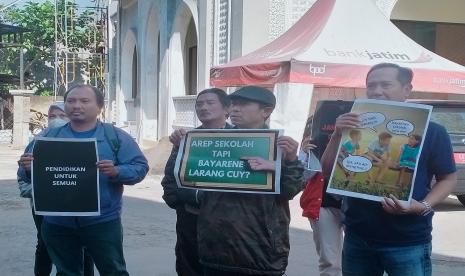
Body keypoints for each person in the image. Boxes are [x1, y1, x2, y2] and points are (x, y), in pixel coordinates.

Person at [321, 63, 457, 276]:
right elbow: (327, 170)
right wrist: (337, 134)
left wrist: (422, 206)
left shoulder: (433, 131)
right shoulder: (353, 126)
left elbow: (448, 178)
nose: (376, 91)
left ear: (406, 89)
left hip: (408, 240)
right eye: (371, 85)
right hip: (358, 236)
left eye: (385, 84)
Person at [17, 84, 149, 275]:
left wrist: (116, 171)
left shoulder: (115, 137)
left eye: (84, 101)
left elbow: (139, 167)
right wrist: (29, 169)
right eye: (71, 101)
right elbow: (24, 174)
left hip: (102, 221)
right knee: (66, 272)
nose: (76, 105)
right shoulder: (48, 138)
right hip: (57, 223)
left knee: (113, 271)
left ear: (99, 107)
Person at [196, 85, 304, 276]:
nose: (235, 109)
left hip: (260, 253)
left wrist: (289, 161)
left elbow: (289, 190)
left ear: (266, 111)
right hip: (215, 250)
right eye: (234, 104)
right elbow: (188, 182)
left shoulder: (281, 147)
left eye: (243, 104)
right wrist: (180, 148)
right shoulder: (213, 142)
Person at [161, 88, 232, 276]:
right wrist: (183, 201)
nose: (203, 107)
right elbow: (170, 179)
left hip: (230, 225)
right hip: (191, 222)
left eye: (210, 103)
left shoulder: (243, 139)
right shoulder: (186, 140)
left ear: (227, 109)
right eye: (199, 104)